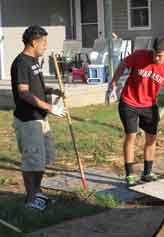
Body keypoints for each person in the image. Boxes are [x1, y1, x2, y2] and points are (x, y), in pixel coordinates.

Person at [106, 37, 164, 186]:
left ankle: (147, 173)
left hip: (149, 105)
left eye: (160, 55)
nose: (156, 58)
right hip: (129, 101)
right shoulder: (139, 56)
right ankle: (130, 174)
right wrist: (113, 83)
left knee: (151, 138)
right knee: (131, 135)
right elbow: (123, 64)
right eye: (155, 54)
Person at [11, 25, 67, 211]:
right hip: (29, 120)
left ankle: (38, 192)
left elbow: (37, 87)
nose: (45, 46)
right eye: (44, 43)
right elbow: (24, 93)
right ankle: (30, 198)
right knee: (32, 160)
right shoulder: (21, 63)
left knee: (42, 159)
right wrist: (50, 108)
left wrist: (53, 91)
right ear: (34, 42)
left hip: (40, 119)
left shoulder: (34, 61)